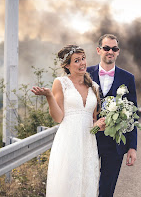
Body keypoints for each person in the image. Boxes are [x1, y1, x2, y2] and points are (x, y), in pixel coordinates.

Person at [31, 45, 105, 197]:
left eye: (83, 59)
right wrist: (49, 96)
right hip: (69, 141)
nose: (82, 63)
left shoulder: (94, 87)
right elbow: (59, 117)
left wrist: (100, 125)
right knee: (67, 182)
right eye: (76, 60)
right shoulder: (61, 83)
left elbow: (94, 121)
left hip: (88, 143)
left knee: (87, 182)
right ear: (67, 65)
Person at [87, 34, 138, 197]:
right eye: (106, 48)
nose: (110, 51)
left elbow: (133, 114)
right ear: (98, 50)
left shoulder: (128, 78)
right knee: (87, 182)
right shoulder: (85, 74)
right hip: (90, 138)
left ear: (118, 52)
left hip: (115, 142)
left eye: (114, 49)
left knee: (107, 188)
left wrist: (132, 147)